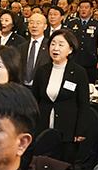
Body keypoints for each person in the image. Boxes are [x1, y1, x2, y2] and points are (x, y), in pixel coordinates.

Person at [32, 29, 92, 163]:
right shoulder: (42, 70)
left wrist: (80, 131)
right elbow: (34, 99)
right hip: (43, 127)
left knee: (64, 167)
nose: (55, 48)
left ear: (70, 49)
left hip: (68, 130)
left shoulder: (78, 72)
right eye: (53, 44)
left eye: (60, 44)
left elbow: (83, 104)